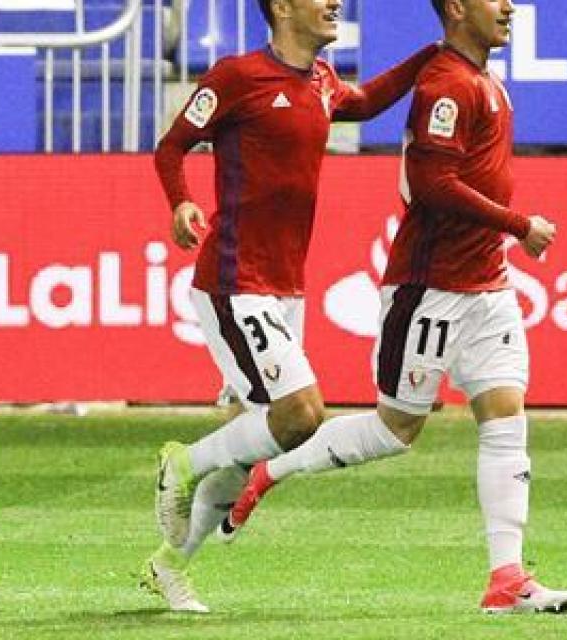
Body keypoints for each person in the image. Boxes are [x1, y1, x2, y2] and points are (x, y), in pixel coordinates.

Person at [217, 0, 567, 615]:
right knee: (395, 430)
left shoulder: (486, 78)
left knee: (505, 417)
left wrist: (504, 240)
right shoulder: (445, 86)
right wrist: (519, 225)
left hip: (487, 285)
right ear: (458, 9)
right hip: (428, 287)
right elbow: (436, 188)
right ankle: (268, 473)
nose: (510, 6)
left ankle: (506, 578)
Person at [145, 0, 439, 612]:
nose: (335, 3)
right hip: (232, 278)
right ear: (281, 8)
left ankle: (170, 567)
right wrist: (180, 202)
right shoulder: (235, 76)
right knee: (302, 414)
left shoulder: (323, 82)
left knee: (262, 441)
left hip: (285, 286)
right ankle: (183, 461)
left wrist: (433, 55)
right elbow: (172, 146)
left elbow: (366, 102)